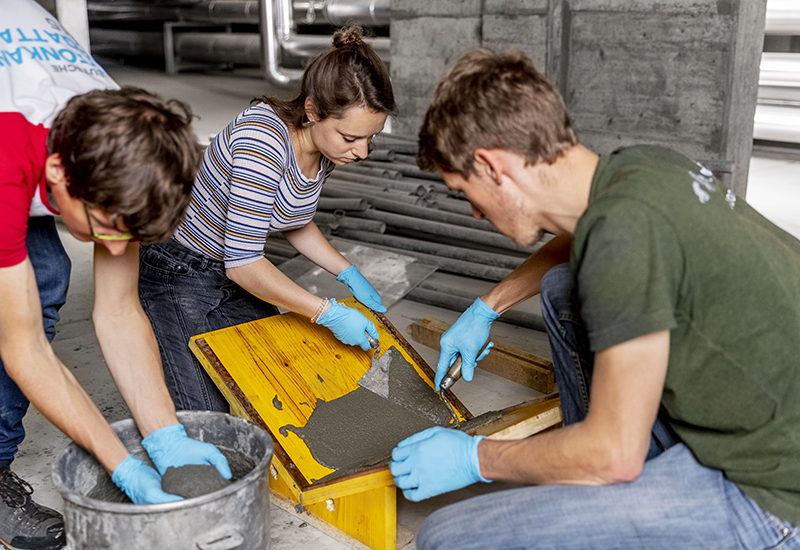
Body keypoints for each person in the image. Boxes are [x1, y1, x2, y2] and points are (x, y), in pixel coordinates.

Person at [390, 48, 800, 550]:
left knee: (449, 536)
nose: (475, 213)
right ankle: (587, 472)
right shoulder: (641, 168)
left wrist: (474, 457)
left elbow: (615, 454)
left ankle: (587, 463)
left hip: (775, 489)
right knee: (564, 289)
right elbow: (581, 236)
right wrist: (486, 307)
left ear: (493, 167)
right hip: (774, 407)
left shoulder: (620, 241)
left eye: (464, 191)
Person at [0, 2, 232, 548]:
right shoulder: (10, 156)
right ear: (57, 172)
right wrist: (121, 465)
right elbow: (25, 347)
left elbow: (119, 309)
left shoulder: (121, 146)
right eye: (107, 226)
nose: (115, 247)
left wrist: (165, 436)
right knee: (31, 288)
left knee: (47, 276)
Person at [138, 25, 396, 412]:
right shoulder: (263, 141)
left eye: (369, 139)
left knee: (277, 388)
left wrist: (347, 272)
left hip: (234, 268)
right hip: (179, 268)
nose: (361, 151)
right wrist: (325, 312)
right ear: (312, 111)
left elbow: (293, 218)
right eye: (350, 138)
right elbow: (244, 265)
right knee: (214, 415)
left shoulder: (325, 149)